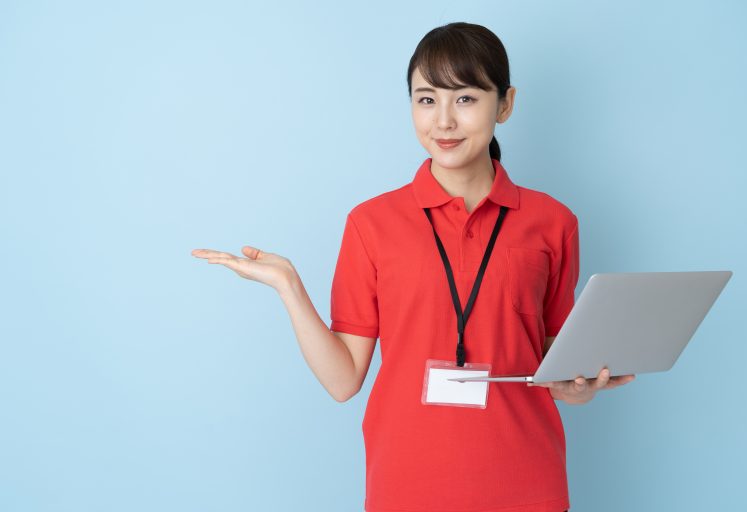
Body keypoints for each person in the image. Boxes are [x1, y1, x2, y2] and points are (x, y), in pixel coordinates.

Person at [192, 21, 635, 512]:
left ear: (505, 104)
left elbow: (553, 361)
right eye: (426, 99)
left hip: (528, 486)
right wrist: (290, 288)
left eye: (465, 98)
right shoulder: (370, 224)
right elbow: (343, 382)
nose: (443, 121)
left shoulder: (554, 222)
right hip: (406, 487)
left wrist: (578, 387)